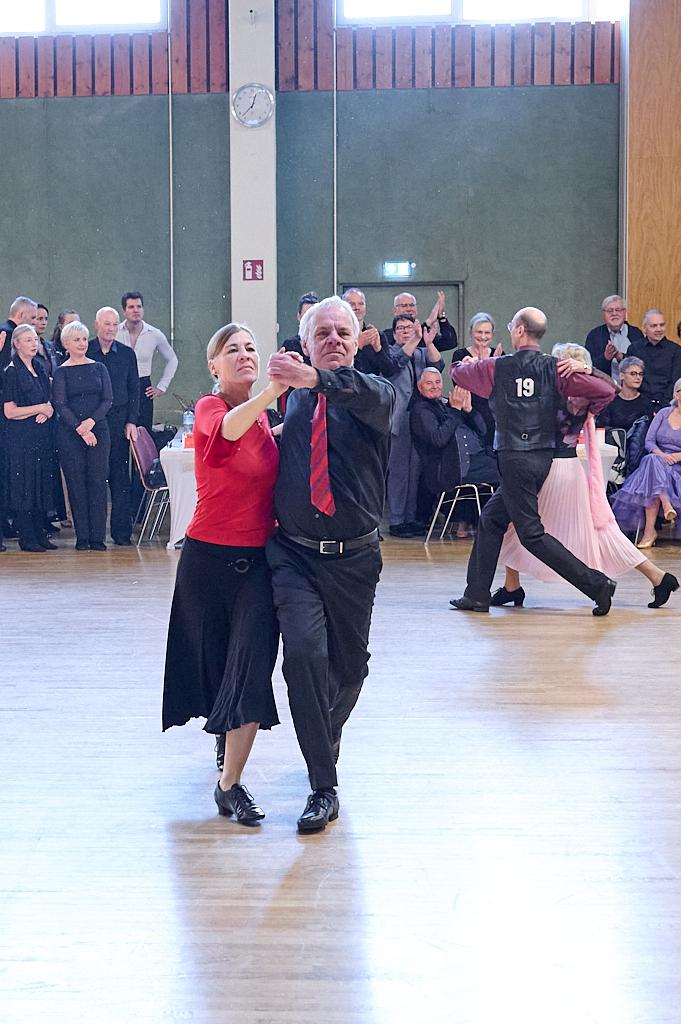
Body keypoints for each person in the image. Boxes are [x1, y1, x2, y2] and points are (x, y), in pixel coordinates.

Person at [266, 295, 395, 833]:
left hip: (355, 560)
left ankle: (321, 734)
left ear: (358, 337)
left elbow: (355, 390)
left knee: (351, 668)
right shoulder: (293, 400)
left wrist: (313, 380)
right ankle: (324, 784)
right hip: (294, 555)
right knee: (302, 657)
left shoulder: (375, 394)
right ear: (305, 343)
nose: (335, 341)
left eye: (344, 333)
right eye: (323, 335)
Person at [162, 323, 283, 826]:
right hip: (207, 562)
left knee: (252, 667)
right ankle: (223, 735)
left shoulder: (262, 420)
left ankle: (229, 786)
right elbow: (227, 431)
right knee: (213, 666)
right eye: (232, 350)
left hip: (258, 564)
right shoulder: (213, 410)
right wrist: (276, 390)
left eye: (251, 348)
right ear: (214, 366)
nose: (244, 355)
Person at [450, 306, 618, 616]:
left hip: (513, 457)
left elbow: (457, 373)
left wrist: (467, 361)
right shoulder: (556, 369)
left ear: (519, 332)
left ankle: (597, 585)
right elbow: (608, 391)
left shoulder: (495, 367)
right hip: (543, 459)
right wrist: (586, 370)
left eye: (512, 325)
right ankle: (476, 594)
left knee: (531, 534)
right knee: (492, 519)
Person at [492, 345, 678, 611]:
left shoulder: (565, 395)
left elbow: (611, 389)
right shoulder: (584, 394)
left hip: (552, 468)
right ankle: (658, 577)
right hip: (565, 468)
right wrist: (591, 371)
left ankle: (519, 586)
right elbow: (611, 388)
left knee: (520, 526)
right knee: (598, 532)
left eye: (556, 360)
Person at [410, 368, 499, 535]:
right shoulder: (420, 410)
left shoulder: (446, 404)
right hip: (451, 469)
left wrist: (469, 410)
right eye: (429, 383)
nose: (435, 387)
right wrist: (455, 410)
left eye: (438, 382)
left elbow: (482, 430)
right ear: (419, 386)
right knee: (508, 472)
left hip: (476, 458)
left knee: (508, 465)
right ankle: (497, 526)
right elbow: (439, 439)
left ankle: (489, 524)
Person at [52, 321, 113, 550]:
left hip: (98, 430)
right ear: (66, 344)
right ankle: (83, 538)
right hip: (70, 434)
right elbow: (60, 403)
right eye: (76, 340)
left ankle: (98, 538)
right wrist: (80, 428)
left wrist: (90, 423)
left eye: (84, 339)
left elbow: (107, 399)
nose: (82, 343)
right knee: (76, 483)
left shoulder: (99, 367)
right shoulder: (61, 372)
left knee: (98, 482)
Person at [386, 313, 443, 537]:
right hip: (398, 419)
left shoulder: (420, 353)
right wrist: (414, 340)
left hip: (419, 420)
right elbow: (397, 364)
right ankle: (397, 520)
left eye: (410, 328)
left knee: (414, 471)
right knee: (398, 471)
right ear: (394, 333)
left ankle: (410, 518)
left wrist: (427, 342)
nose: (406, 331)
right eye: (401, 328)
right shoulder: (389, 353)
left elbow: (438, 364)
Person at [2, 324, 57, 552]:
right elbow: (10, 411)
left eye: (34, 339)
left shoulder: (39, 367)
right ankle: (27, 536)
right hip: (20, 438)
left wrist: (47, 410)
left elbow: (49, 401)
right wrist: (39, 409)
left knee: (40, 484)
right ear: (16, 344)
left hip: (41, 437)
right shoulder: (12, 372)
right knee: (25, 485)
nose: (34, 344)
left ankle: (39, 532)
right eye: (27, 340)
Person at [88, 306, 139, 545]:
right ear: (97, 325)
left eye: (113, 324)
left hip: (119, 423)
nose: (110, 328)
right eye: (105, 324)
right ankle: (93, 535)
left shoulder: (127, 354)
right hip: (93, 424)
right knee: (96, 478)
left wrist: (131, 421)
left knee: (120, 478)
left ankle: (121, 533)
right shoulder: (85, 350)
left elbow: (134, 391)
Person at [612, 377, 681, 549]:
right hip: (658, 458)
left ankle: (650, 532)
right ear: (676, 394)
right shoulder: (664, 413)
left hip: (677, 465)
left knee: (651, 473)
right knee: (652, 461)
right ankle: (666, 505)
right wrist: (661, 455)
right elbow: (649, 441)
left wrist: (675, 457)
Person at [116, 291, 178, 433]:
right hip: (120, 387)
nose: (136, 310)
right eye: (131, 307)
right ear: (124, 311)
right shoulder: (115, 332)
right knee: (119, 435)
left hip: (143, 387)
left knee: (142, 434)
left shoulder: (154, 334)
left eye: (139, 306)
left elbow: (172, 359)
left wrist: (162, 386)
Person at [449, 311, 504, 447]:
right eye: (479, 332)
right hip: (469, 411)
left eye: (487, 332)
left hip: (494, 413)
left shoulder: (500, 355)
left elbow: (502, 387)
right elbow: (461, 383)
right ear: (471, 332)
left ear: (492, 334)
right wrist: (483, 363)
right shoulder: (460, 355)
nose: (483, 336)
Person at [628, 309, 681, 411]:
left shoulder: (676, 350)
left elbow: (675, 381)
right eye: (654, 326)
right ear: (644, 329)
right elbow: (631, 379)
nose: (659, 329)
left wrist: (662, 404)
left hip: (668, 404)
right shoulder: (634, 349)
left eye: (662, 325)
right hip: (639, 403)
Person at [585, 295, 644, 378]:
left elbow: (642, 365)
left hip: (632, 389)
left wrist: (621, 357)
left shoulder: (636, 334)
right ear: (603, 314)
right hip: (603, 388)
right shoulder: (594, 336)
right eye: (609, 311)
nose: (614, 313)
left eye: (618, 310)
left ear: (625, 312)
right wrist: (605, 357)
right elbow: (587, 367)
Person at [341, 288, 397, 377]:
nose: (357, 308)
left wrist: (378, 349)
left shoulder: (376, 335)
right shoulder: (338, 336)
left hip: (372, 388)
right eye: (352, 304)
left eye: (361, 304)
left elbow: (389, 371)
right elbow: (338, 369)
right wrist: (357, 347)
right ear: (343, 307)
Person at [382, 290, 458, 352]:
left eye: (412, 305)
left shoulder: (426, 334)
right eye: (404, 306)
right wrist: (428, 322)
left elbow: (450, 343)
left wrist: (441, 316)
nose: (409, 309)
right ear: (395, 311)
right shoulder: (387, 335)